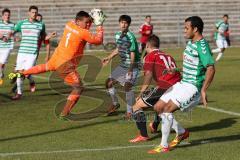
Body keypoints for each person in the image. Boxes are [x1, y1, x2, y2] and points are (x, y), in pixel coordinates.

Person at [9, 9, 105, 119]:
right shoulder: (83, 32)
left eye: (89, 22)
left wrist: (90, 19)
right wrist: (99, 25)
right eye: (86, 22)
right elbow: (98, 41)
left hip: (57, 58)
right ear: (78, 22)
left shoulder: (69, 24)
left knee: (45, 67)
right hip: (66, 65)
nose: (88, 24)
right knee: (78, 87)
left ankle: (22, 72)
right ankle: (64, 113)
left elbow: (77, 22)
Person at [148, 16, 215, 154]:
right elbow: (195, 66)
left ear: (195, 29)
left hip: (192, 87)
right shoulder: (191, 43)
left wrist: (203, 90)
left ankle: (164, 145)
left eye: (186, 28)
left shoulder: (202, 46)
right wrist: (176, 70)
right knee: (158, 107)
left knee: (167, 109)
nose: (184, 31)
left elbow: (210, 68)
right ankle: (182, 132)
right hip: (183, 83)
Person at [128, 34, 182, 143]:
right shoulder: (167, 55)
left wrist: (142, 92)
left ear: (147, 45)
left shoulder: (150, 56)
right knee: (159, 106)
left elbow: (148, 74)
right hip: (178, 85)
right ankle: (154, 125)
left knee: (136, 106)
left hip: (165, 86)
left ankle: (143, 135)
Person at [102, 15, 140, 119]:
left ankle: (129, 112)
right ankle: (115, 104)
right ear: (119, 23)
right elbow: (119, 48)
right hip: (123, 65)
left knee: (127, 87)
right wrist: (109, 57)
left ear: (128, 25)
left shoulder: (130, 36)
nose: (123, 24)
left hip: (133, 66)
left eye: (126, 23)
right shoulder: (118, 35)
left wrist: (131, 69)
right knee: (108, 83)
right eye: (122, 22)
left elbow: (132, 53)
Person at [11, 6, 48, 99]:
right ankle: (19, 93)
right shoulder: (22, 23)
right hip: (22, 52)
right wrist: (12, 36)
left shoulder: (41, 25)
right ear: (29, 13)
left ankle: (31, 81)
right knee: (20, 73)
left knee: (26, 73)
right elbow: (13, 31)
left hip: (32, 53)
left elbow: (43, 37)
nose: (34, 14)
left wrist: (49, 36)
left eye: (36, 12)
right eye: (32, 12)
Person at [0, 8, 14, 85]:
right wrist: (2, 37)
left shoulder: (12, 25)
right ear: (2, 16)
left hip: (7, 47)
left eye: (8, 15)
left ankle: (1, 75)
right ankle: (1, 74)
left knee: (1, 64)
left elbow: (12, 34)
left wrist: (10, 36)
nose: (7, 16)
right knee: (1, 65)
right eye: (5, 15)